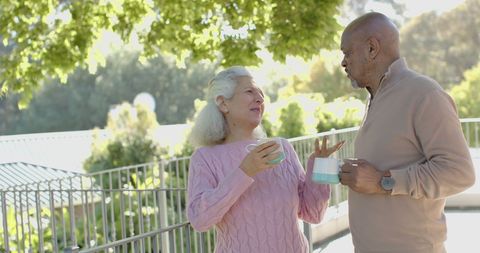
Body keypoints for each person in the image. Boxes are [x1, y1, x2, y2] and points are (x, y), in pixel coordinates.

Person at [338, 12, 476, 253]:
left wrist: (384, 181)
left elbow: (459, 172)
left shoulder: (424, 94)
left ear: (372, 49)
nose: (343, 62)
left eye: (347, 52)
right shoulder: (376, 97)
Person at [186, 66, 344, 253]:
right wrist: (244, 172)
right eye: (249, 91)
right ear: (223, 103)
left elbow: (314, 214)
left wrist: (322, 167)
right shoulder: (205, 158)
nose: (260, 98)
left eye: (260, 93)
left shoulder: (282, 146)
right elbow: (199, 220)